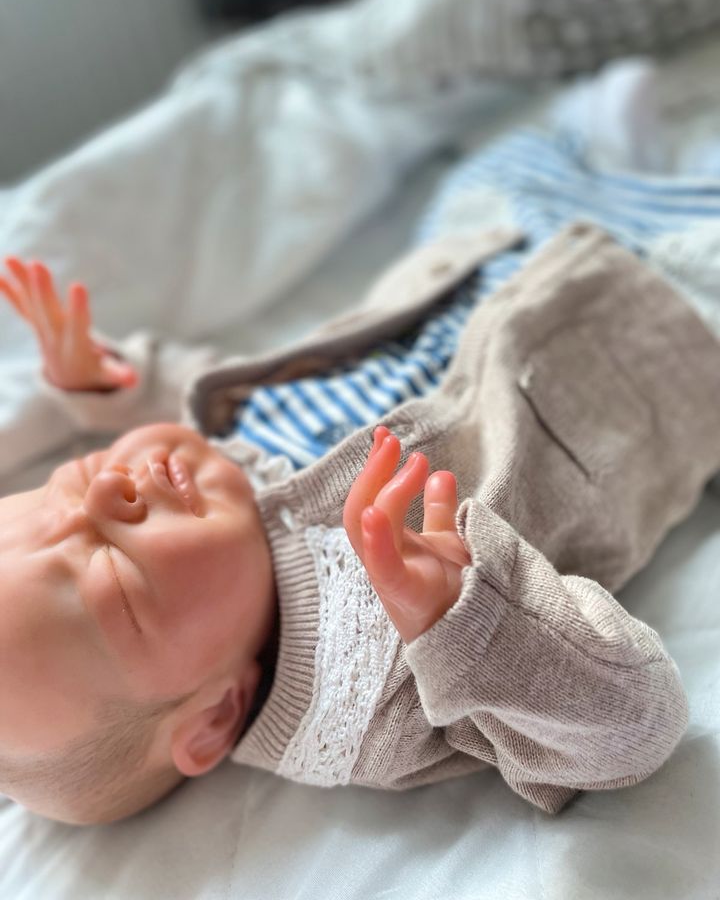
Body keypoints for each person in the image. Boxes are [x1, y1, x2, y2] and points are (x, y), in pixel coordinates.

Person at [2, 206, 720, 827]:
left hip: (494, 241)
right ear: (217, 715)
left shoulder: (219, 484)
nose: (105, 493)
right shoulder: (378, 700)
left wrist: (112, 383)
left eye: (67, 481)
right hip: (671, 325)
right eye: (116, 571)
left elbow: (230, 382)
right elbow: (635, 729)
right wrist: (473, 622)